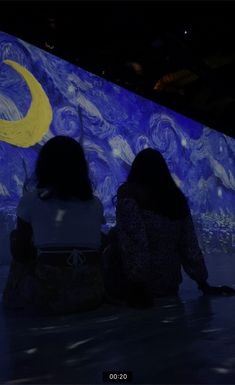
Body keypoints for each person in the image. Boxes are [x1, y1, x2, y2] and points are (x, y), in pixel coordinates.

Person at [102, 148, 235, 307]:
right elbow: (189, 246)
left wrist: (138, 285)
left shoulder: (130, 194)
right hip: (168, 286)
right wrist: (203, 283)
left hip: (136, 288)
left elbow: (135, 241)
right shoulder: (177, 199)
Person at [3, 136, 105, 314]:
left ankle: (13, 294)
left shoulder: (31, 199)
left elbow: (21, 252)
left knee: (16, 237)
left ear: (43, 166)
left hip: (47, 299)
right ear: (81, 168)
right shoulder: (96, 203)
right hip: (92, 295)